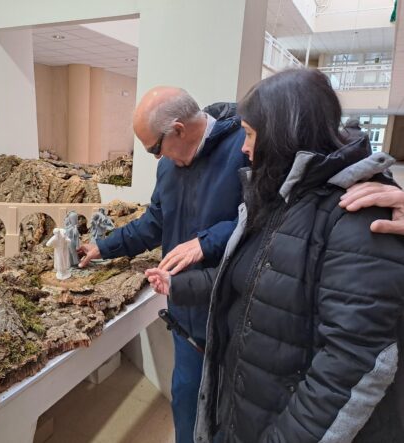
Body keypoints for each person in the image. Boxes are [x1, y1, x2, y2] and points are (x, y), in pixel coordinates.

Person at [146, 69, 404, 443]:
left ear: (285, 133)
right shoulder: (278, 199)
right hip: (251, 410)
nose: (244, 148)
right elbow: (250, 278)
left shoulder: (360, 214)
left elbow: (351, 366)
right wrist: (178, 285)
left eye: (250, 135)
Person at [78, 86, 248, 442]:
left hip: (234, 318)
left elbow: (264, 223)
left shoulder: (245, 150)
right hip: (186, 318)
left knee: (230, 419)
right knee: (185, 407)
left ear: (179, 130)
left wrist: (207, 241)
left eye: (155, 148)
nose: (156, 158)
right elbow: (155, 223)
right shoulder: (170, 168)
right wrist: (103, 246)